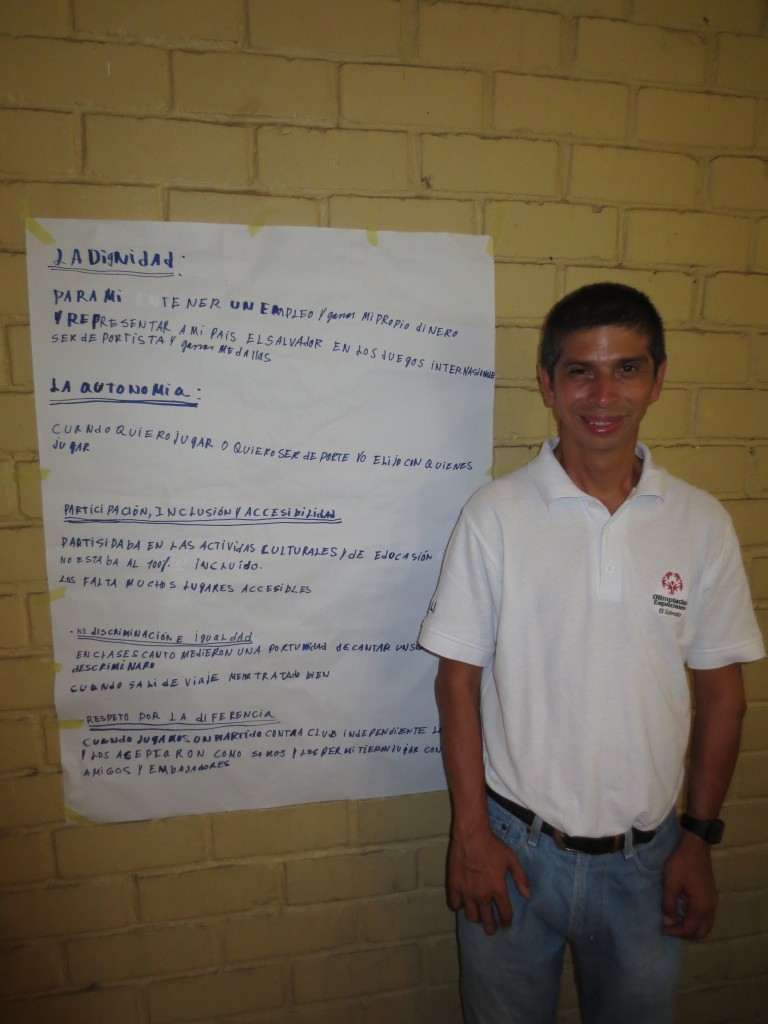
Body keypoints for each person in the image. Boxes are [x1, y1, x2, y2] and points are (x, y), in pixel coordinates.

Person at [418, 283, 765, 1024]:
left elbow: (723, 695)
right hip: (513, 851)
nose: (604, 394)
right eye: (580, 371)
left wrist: (699, 840)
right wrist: (470, 835)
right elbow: (456, 685)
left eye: (628, 369)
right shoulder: (497, 515)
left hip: (648, 862)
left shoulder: (699, 524)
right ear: (547, 383)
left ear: (659, 378)